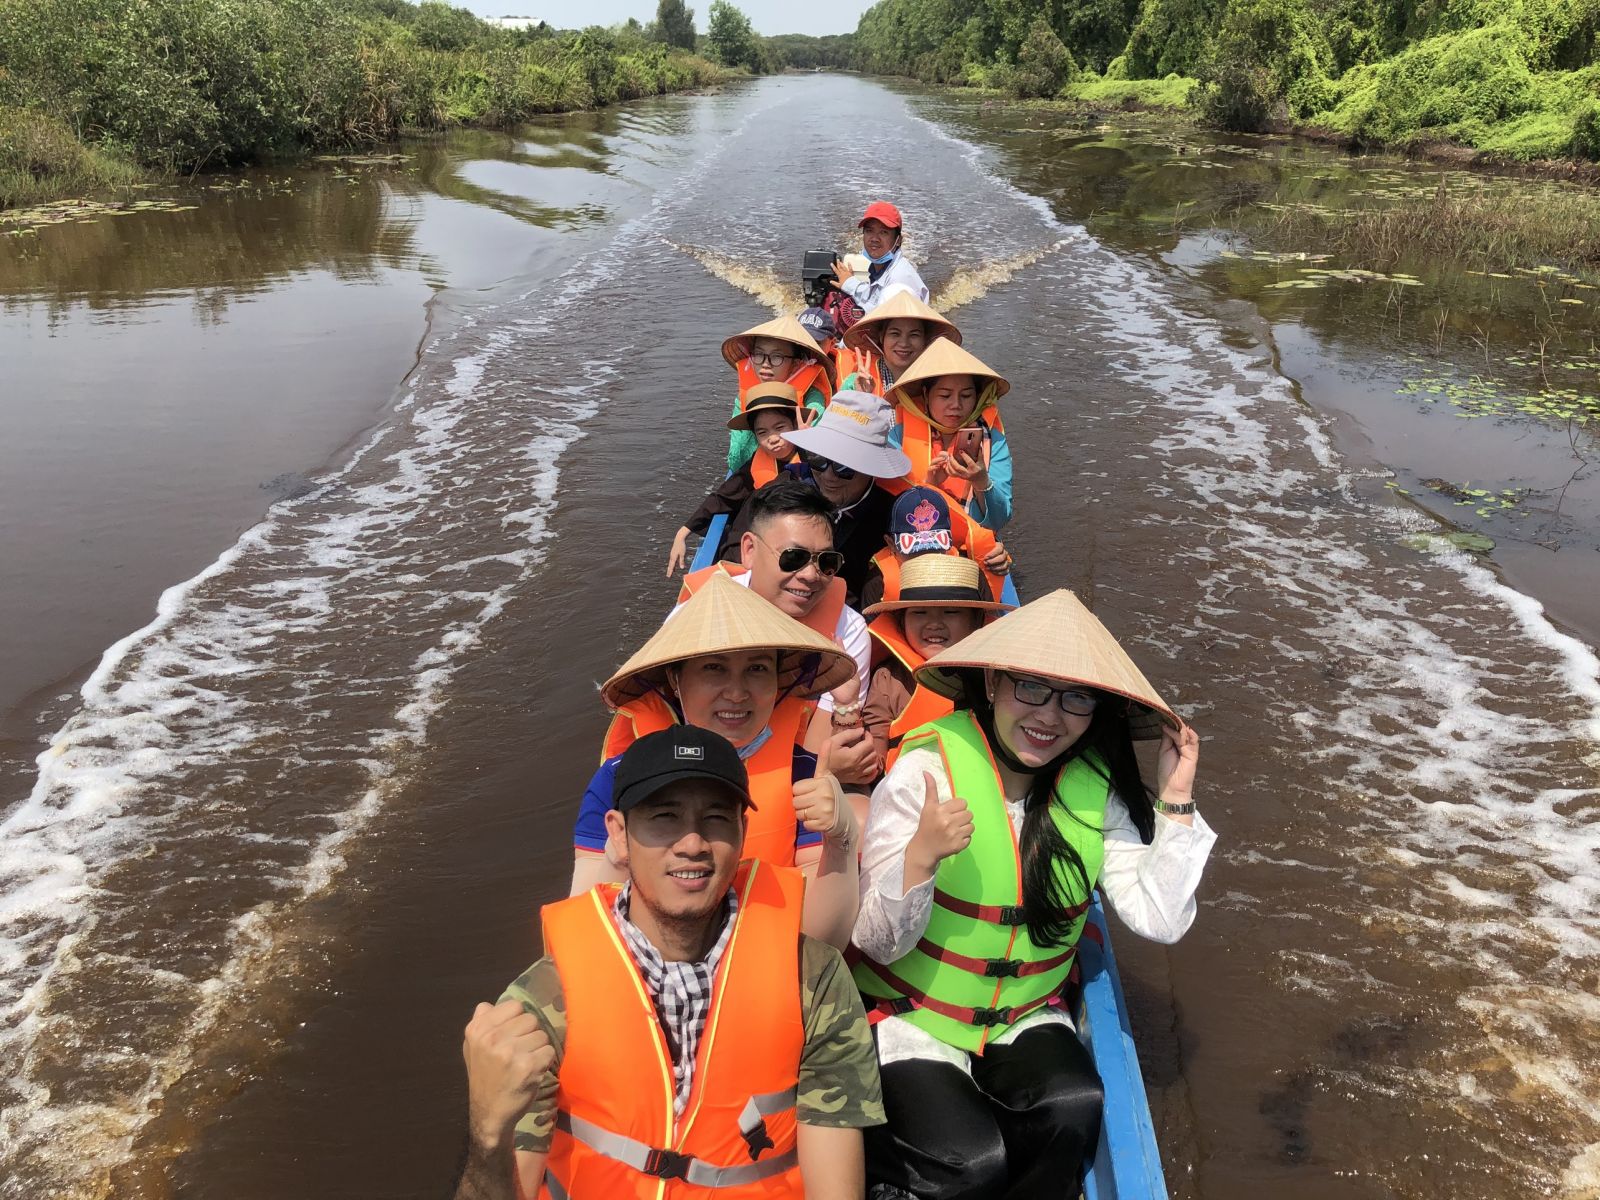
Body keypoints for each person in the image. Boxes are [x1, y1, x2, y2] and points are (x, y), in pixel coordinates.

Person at [851, 589, 1214, 1200]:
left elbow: (1159, 919)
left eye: (1077, 697)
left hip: (1026, 1011)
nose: (1050, 715)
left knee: (1075, 1104)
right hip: (916, 1015)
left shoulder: (1096, 789)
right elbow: (876, 942)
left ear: (1096, 709)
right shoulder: (926, 770)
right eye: (1030, 688)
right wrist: (920, 858)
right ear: (992, 682)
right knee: (970, 1161)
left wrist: (1175, 796)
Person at [455, 727, 885, 1200]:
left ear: (743, 831)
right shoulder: (545, 1002)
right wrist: (488, 1133)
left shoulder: (815, 981)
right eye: (665, 817)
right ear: (618, 834)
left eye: (716, 817)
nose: (693, 843)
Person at [574, 572, 863, 947]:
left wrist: (840, 840)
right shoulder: (617, 782)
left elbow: (827, 943)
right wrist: (617, 857)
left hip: (761, 974)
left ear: (778, 679)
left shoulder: (806, 777)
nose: (737, 692)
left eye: (757, 669)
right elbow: (582, 932)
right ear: (676, 680)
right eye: (714, 667)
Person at [675, 480, 878, 782]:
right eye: (793, 558)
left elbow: (816, 752)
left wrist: (846, 707)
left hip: (792, 776)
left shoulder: (846, 632)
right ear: (749, 551)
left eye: (826, 562)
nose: (811, 575)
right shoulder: (698, 613)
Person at [719, 390, 912, 612]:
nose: (829, 475)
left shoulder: (889, 515)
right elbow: (734, 551)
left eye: (844, 468)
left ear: (871, 470)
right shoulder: (784, 487)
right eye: (819, 459)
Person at [861, 554, 1010, 774]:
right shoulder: (888, 678)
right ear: (902, 623)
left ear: (977, 621)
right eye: (919, 612)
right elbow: (876, 744)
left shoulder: (997, 674)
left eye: (950, 612)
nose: (934, 624)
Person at [667, 382, 807, 575]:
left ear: (796, 425)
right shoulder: (755, 465)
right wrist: (682, 533)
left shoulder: (816, 463)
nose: (773, 438)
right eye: (762, 432)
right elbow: (723, 497)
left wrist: (809, 447)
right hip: (751, 552)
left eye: (780, 427)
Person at [886, 337, 1014, 532]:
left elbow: (1000, 519)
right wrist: (929, 487)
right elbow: (886, 511)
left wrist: (981, 481)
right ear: (926, 395)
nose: (956, 405)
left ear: (977, 398)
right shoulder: (898, 437)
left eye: (966, 396)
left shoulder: (993, 440)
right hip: (917, 547)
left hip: (974, 549)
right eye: (945, 395)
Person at [859, 486, 1011, 613]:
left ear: (949, 540)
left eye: (934, 549)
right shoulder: (877, 584)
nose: (927, 559)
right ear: (891, 544)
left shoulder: (969, 571)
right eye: (915, 551)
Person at [723, 315, 835, 472]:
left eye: (777, 357)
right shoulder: (745, 397)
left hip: (798, 469)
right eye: (759, 355)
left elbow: (815, 438)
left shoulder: (812, 397)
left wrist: (804, 436)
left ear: (796, 364)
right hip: (753, 467)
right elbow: (735, 459)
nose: (765, 364)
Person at [837, 288, 961, 397]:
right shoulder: (855, 382)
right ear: (881, 337)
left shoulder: (937, 383)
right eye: (895, 333)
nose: (904, 343)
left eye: (914, 335)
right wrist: (860, 398)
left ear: (925, 340)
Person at [832, 201, 929, 313]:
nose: (874, 238)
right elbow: (873, 298)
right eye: (869, 231)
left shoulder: (899, 284)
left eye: (883, 232)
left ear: (898, 240)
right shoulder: (881, 268)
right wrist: (849, 283)